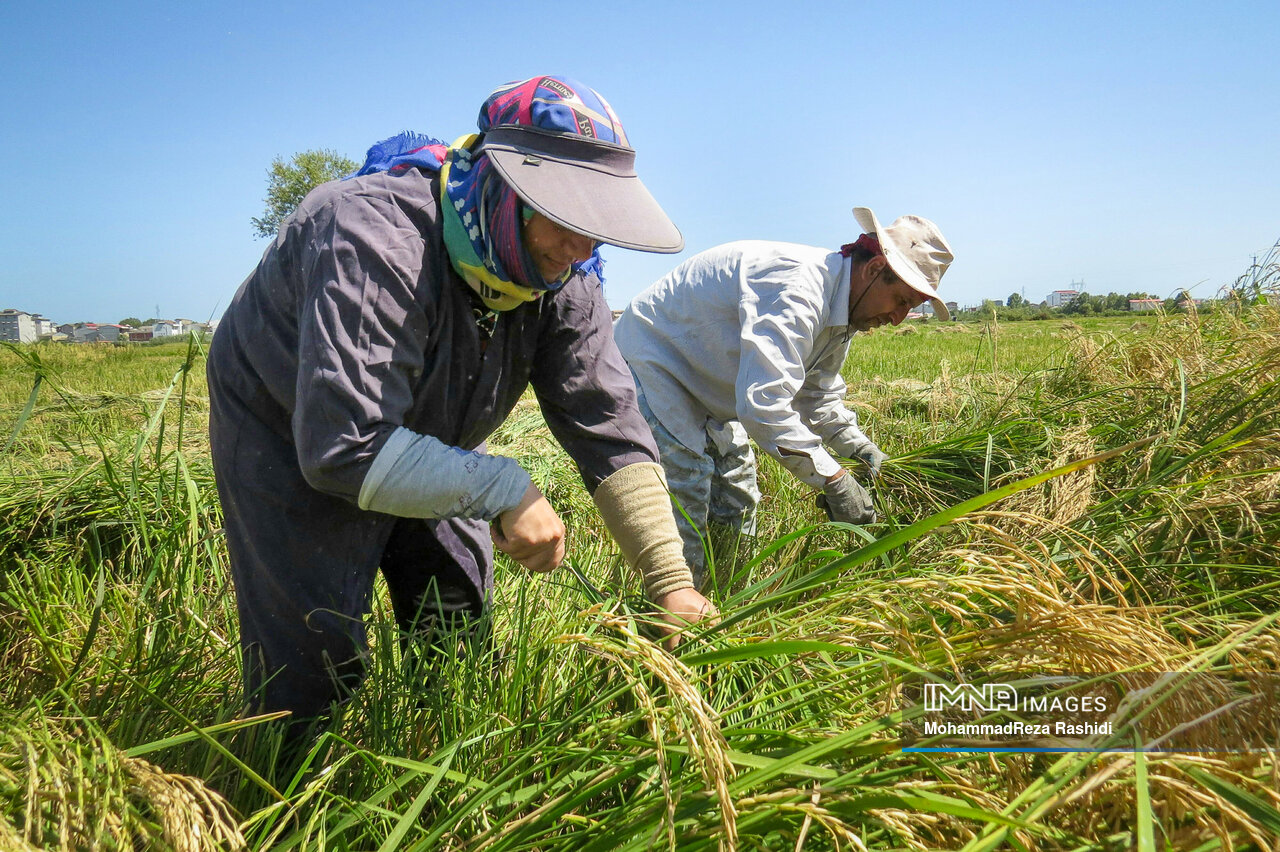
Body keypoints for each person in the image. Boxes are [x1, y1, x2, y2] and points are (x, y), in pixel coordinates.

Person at [207, 75, 715, 726]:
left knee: (454, 615)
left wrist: (669, 582)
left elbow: (608, 423)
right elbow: (343, 448)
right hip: (292, 422)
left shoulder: (566, 278)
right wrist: (504, 488)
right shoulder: (373, 234)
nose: (585, 248)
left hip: (432, 430)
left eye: (599, 227)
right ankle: (291, 793)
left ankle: (436, 755)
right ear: (508, 192)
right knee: (312, 650)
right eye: (568, 218)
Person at [613, 208, 954, 588]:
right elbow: (764, 406)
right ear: (874, 270)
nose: (899, 318)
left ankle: (726, 604)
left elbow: (816, 396)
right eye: (902, 300)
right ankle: (671, 620)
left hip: (710, 385)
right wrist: (835, 480)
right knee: (686, 496)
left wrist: (862, 451)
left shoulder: (844, 312)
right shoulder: (798, 289)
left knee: (738, 502)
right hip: (654, 363)